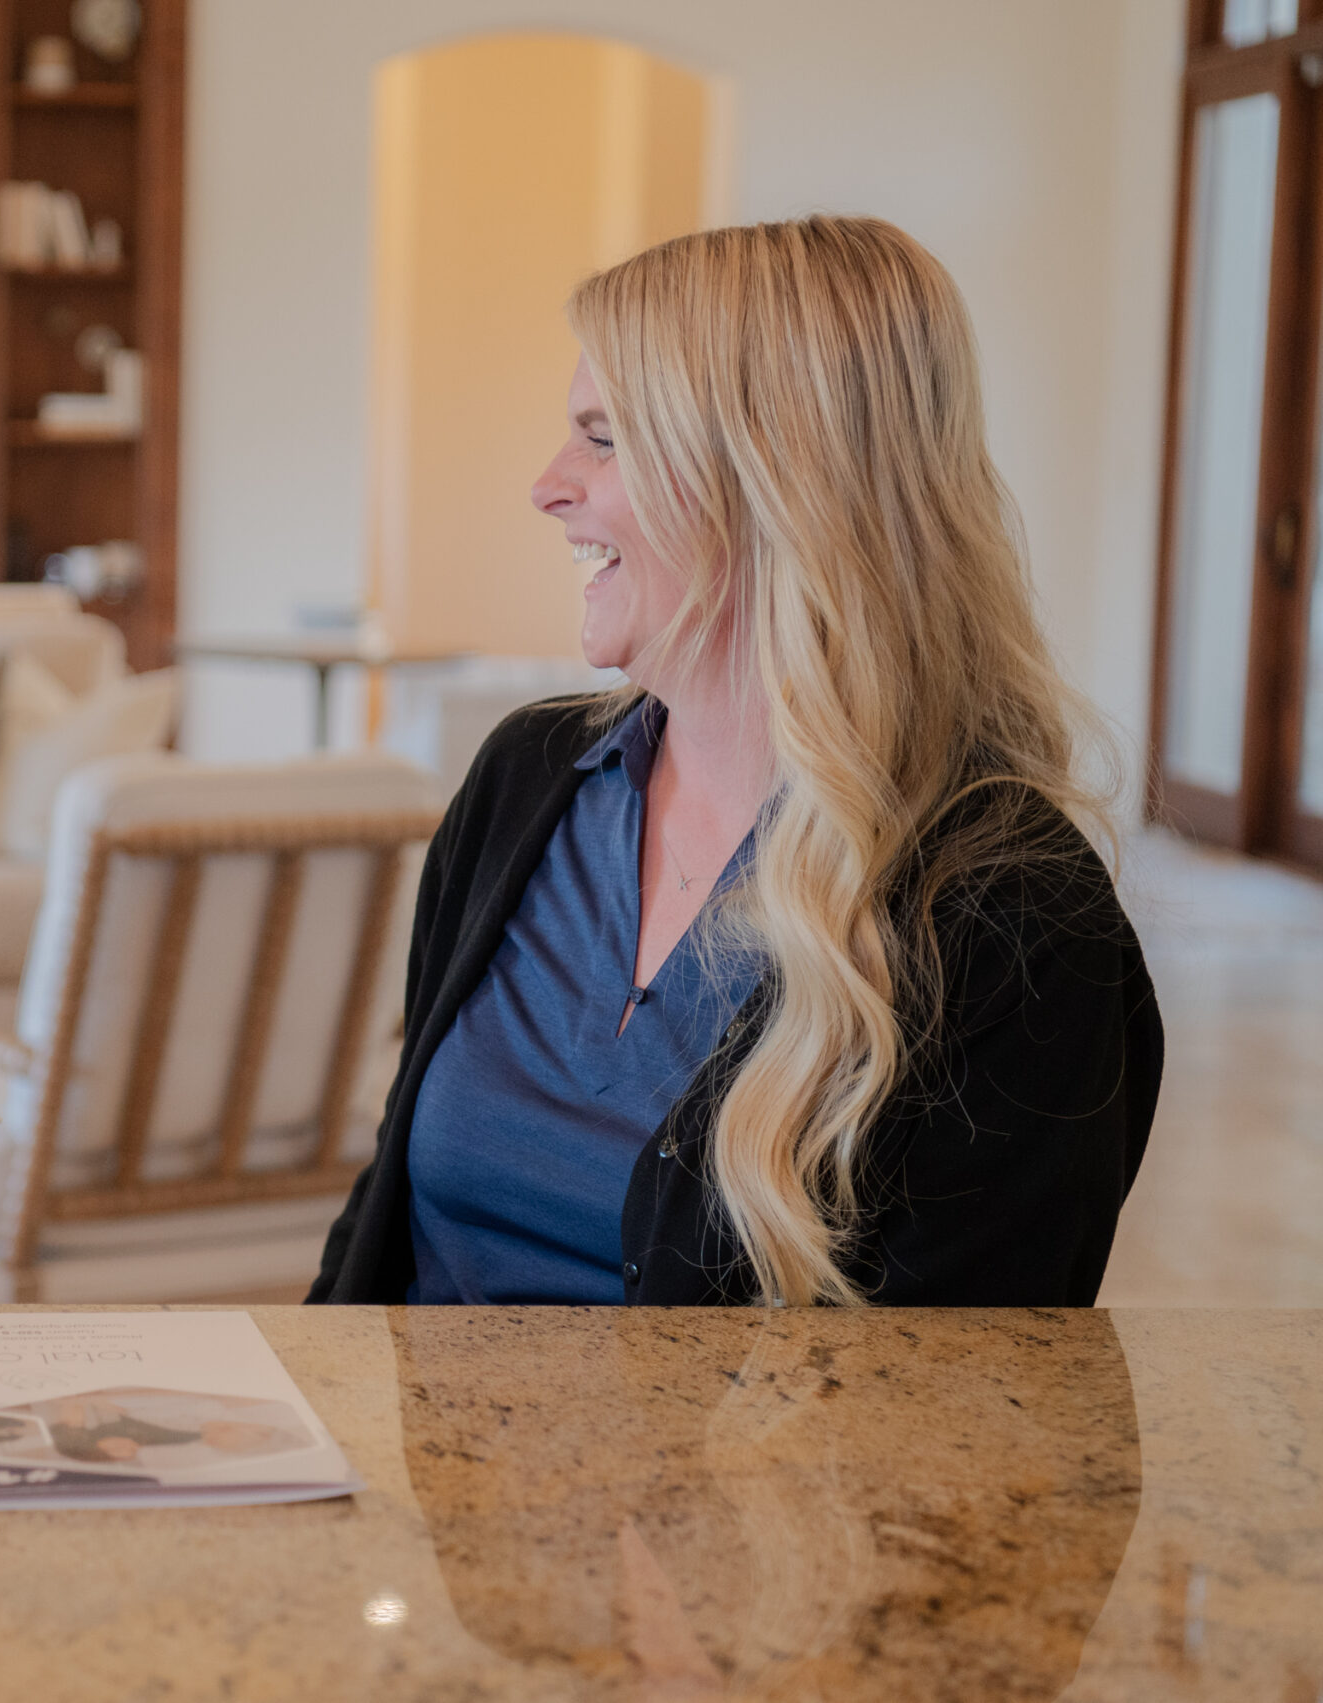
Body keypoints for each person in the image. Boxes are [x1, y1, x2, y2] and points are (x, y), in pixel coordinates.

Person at [310, 215, 1161, 1309]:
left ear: (771, 481)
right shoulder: (524, 779)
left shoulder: (1020, 928)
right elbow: (388, 1199)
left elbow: (954, 1429)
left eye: (602, 438)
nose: (547, 486)